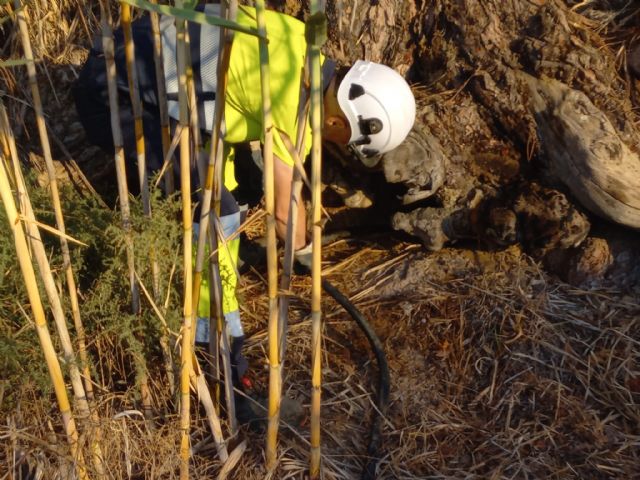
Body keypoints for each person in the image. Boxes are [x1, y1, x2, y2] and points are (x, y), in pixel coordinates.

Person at [73, 4, 415, 398]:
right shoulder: (292, 103)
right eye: (347, 142)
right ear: (340, 123)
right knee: (217, 215)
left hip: (135, 63)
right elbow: (284, 208)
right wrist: (304, 252)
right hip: (115, 95)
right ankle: (213, 346)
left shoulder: (300, 47)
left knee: (239, 183)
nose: (340, 145)